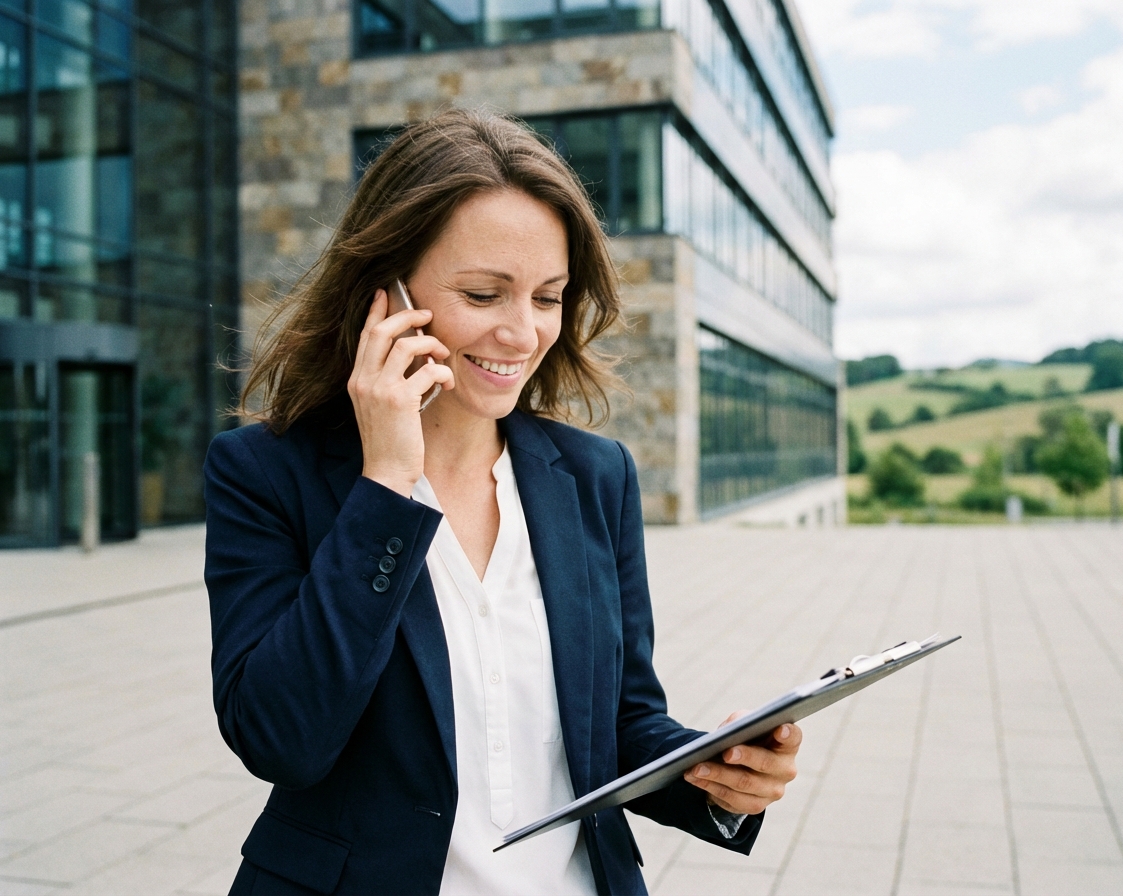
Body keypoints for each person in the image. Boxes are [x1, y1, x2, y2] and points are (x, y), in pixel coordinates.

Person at [204, 109, 800, 896]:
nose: (522, 333)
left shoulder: (595, 476)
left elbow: (618, 723)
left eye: (548, 298)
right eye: (485, 294)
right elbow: (282, 740)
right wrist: (386, 483)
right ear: (384, 290)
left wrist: (713, 773)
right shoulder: (266, 472)